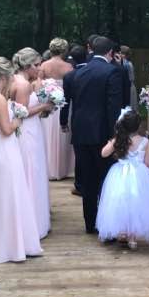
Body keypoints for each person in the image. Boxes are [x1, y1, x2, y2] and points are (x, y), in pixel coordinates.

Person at [0, 57, 43, 263]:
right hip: (3, 150)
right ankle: (11, 247)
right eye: (11, 75)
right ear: (5, 76)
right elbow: (6, 130)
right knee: (9, 193)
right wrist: (18, 119)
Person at [61, 35, 123, 234]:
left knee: (88, 180)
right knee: (106, 179)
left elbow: (73, 104)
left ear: (91, 51)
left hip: (81, 133)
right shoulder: (112, 72)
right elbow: (113, 108)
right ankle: (107, 222)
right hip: (103, 134)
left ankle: (90, 223)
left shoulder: (75, 74)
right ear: (110, 53)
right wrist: (116, 136)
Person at [96, 108, 149, 249]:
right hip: (139, 175)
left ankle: (122, 232)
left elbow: (103, 153)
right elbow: (148, 163)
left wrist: (113, 140)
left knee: (120, 201)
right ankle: (133, 238)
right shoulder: (145, 141)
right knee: (136, 203)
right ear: (138, 125)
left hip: (120, 174)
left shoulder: (119, 140)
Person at [10, 48, 53, 240]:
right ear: (27, 66)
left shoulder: (14, 80)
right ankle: (34, 222)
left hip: (29, 129)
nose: (39, 68)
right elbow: (23, 112)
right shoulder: (24, 85)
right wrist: (45, 105)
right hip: (28, 132)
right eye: (36, 65)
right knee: (32, 172)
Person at [39, 37, 75, 181]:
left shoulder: (43, 66)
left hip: (48, 106)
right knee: (62, 137)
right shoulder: (68, 67)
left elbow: (39, 85)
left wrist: (44, 98)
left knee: (47, 136)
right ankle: (61, 169)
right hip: (64, 106)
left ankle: (47, 168)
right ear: (64, 50)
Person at [63, 44, 88, 196]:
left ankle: (79, 185)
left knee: (79, 153)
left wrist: (63, 121)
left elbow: (66, 102)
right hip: (97, 118)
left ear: (72, 60)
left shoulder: (70, 76)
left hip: (78, 118)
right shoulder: (96, 72)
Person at [119, 46, 138, 111]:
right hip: (130, 85)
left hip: (129, 86)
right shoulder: (127, 63)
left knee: (130, 105)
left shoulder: (126, 64)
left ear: (124, 54)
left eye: (120, 53)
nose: (119, 54)